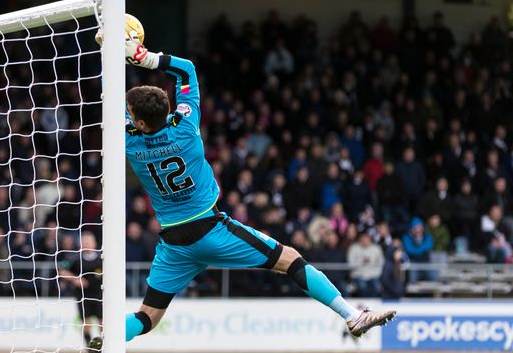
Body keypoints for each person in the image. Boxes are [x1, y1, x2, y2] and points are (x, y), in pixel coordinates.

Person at [90, 22, 395, 350]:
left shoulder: (129, 141)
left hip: (173, 242)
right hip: (210, 229)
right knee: (290, 259)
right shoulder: (186, 128)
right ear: (168, 109)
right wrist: (146, 58)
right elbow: (187, 71)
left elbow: (111, 100)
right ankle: (351, 315)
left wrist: (107, 54)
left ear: (137, 122)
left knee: (147, 317)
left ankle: (108, 337)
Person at [58, 231, 102, 348]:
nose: (86, 244)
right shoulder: (75, 259)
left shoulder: (101, 258)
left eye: (89, 241)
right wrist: (75, 279)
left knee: (103, 324)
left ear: (95, 243)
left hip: (100, 295)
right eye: (84, 241)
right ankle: (90, 349)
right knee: (86, 325)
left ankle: (105, 347)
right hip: (83, 296)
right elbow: (61, 270)